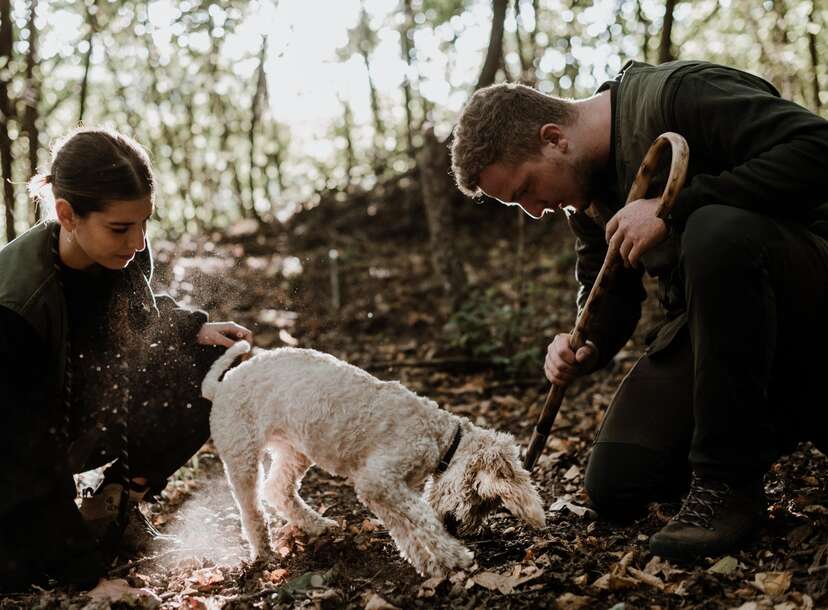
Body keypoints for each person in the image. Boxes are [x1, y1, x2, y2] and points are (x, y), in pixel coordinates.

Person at [450, 59, 828, 561]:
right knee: (619, 483)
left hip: (810, 284)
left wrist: (675, 211)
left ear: (553, 138)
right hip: (725, 333)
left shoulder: (680, 95)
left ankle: (728, 483)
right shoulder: (584, 194)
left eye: (524, 190)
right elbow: (607, 288)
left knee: (715, 229)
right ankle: (800, 402)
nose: (536, 210)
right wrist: (583, 343)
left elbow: (818, 149)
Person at [0, 127, 252, 590]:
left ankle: (113, 502)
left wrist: (191, 328)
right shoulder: (15, 308)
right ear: (67, 214)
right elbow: (22, 458)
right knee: (23, 575)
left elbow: (138, 312)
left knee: (220, 367)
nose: (137, 241)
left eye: (144, 224)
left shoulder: (122, 251)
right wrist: (90, 578)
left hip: (77, 418)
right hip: (15, 455)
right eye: (121, 228)